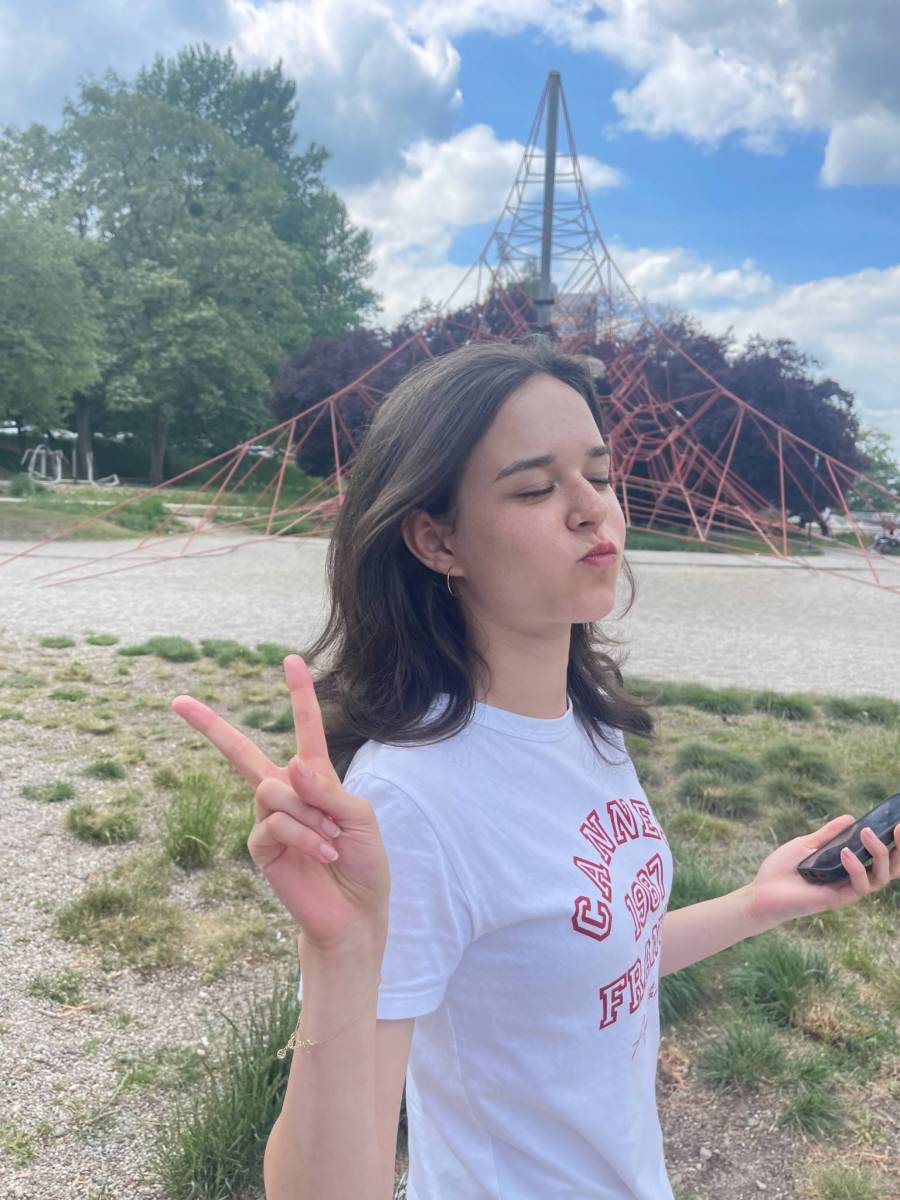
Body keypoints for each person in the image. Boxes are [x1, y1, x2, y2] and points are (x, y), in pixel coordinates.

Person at [171, 337, 900, 1200]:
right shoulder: (410, 801)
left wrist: (758, 903)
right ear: (437, 540)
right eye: (534, 488)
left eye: (600, 474)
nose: (593, 510)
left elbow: (579, 969)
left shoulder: (586, 720)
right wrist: (341, 957)